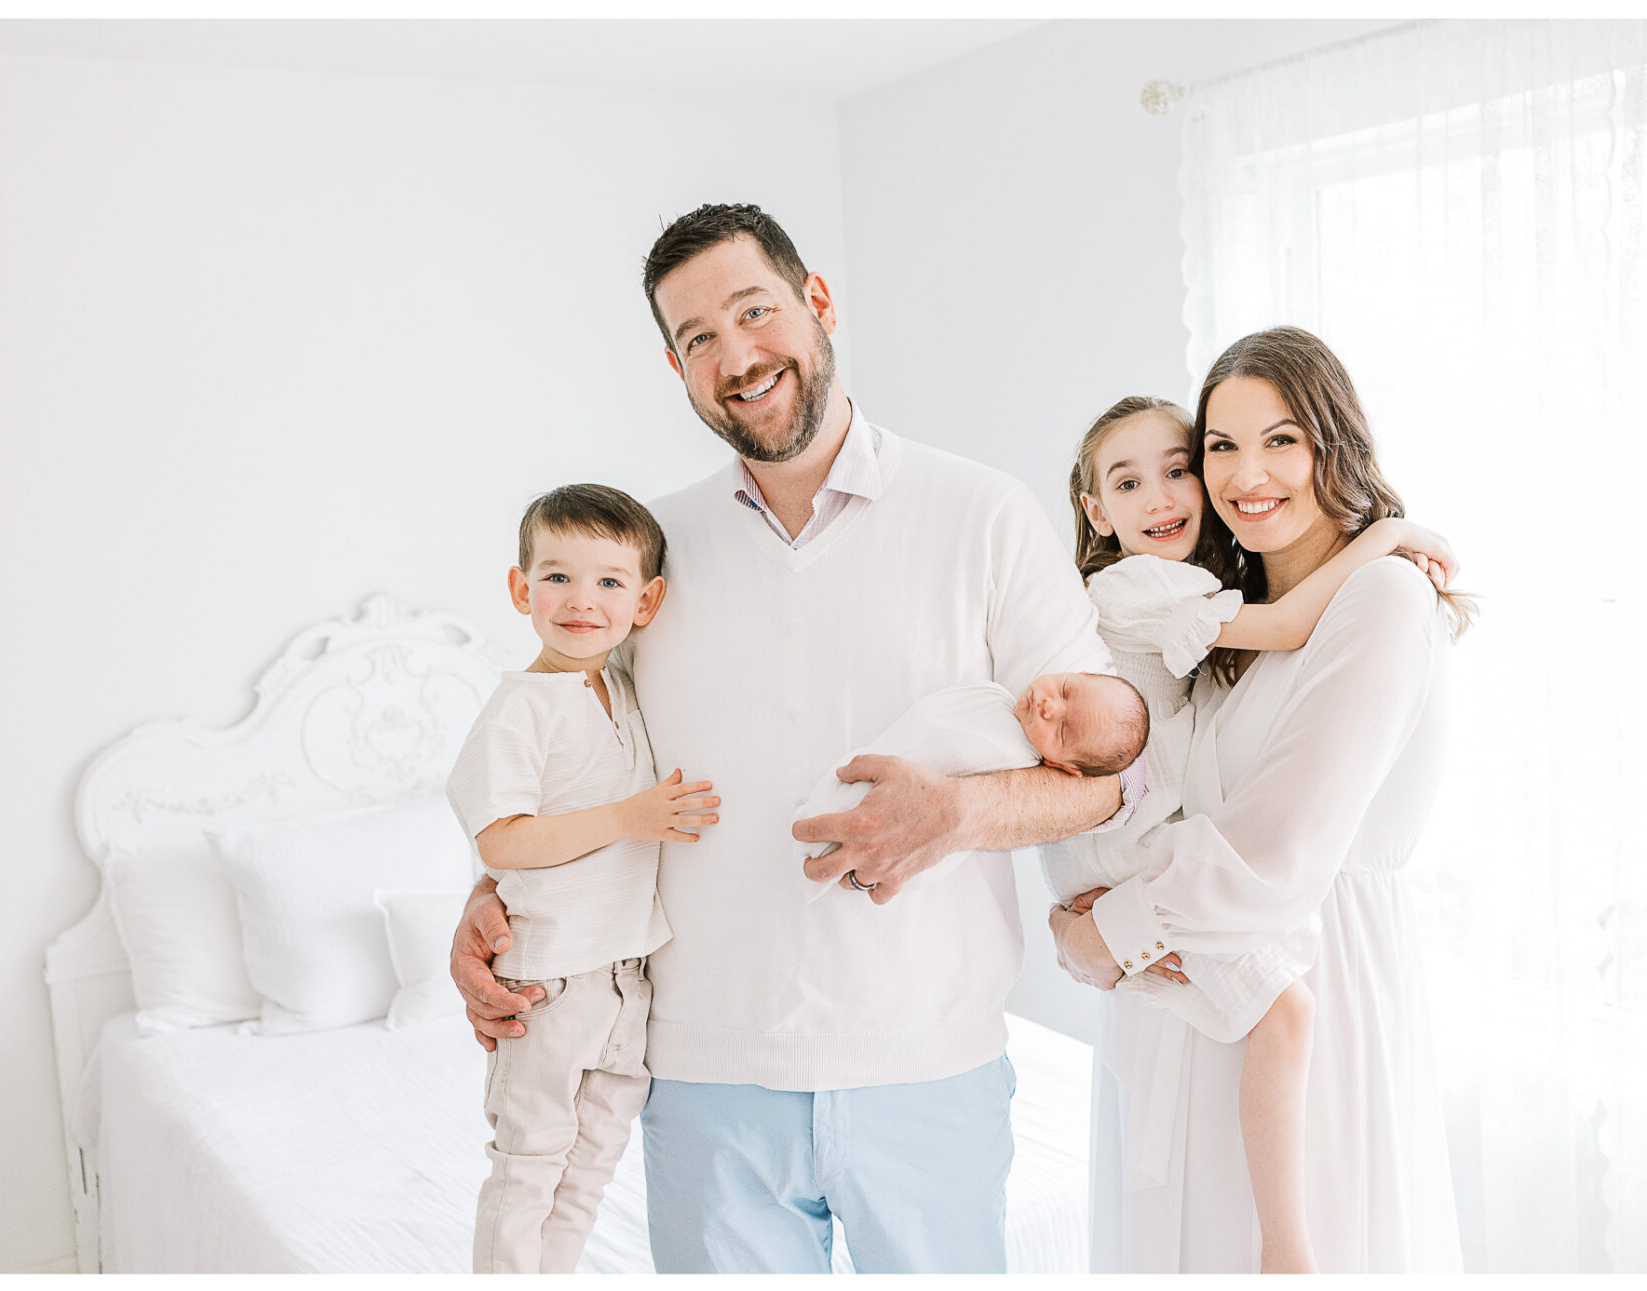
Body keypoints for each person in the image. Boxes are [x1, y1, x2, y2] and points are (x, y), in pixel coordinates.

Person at [448, 203, 1144, 1274]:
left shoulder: (982, 513)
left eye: (754, 312)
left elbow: (1100, 780)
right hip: (703, 1076)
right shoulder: (647, 552)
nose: (735, 357)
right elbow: (570, 749)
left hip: (928, 1068)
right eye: (697, 340)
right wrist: (488, 900)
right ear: (675, 368)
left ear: (817, 303)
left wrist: (960, 813)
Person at [1050, 327, 1471, 1273]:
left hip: (1312, 991)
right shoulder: (1216, 631)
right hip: (1184, 998)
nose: (1248, 474)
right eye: (1222, 447)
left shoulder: (1384, 600)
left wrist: (1105, 932)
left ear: (1334, 441)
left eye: (1281, 439)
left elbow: (1277, 849)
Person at [444, 484, 721, 1273]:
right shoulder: (519, 709)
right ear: (520, 588)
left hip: (625, 977)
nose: (581, 600)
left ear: (647, 599)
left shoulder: (623, 687)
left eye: (609, 581)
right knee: (529, 1163)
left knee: (590, 1165)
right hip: (550, 979)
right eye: (558, 576)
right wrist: (630, 818)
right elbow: (501, 838)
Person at [793, 673, 1149, 902]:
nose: (1049, 706)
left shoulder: (1016, 760)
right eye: (1066, 689)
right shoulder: (995, 699)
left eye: (1063, 731)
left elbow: (1119, 788)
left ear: (1061, 766)